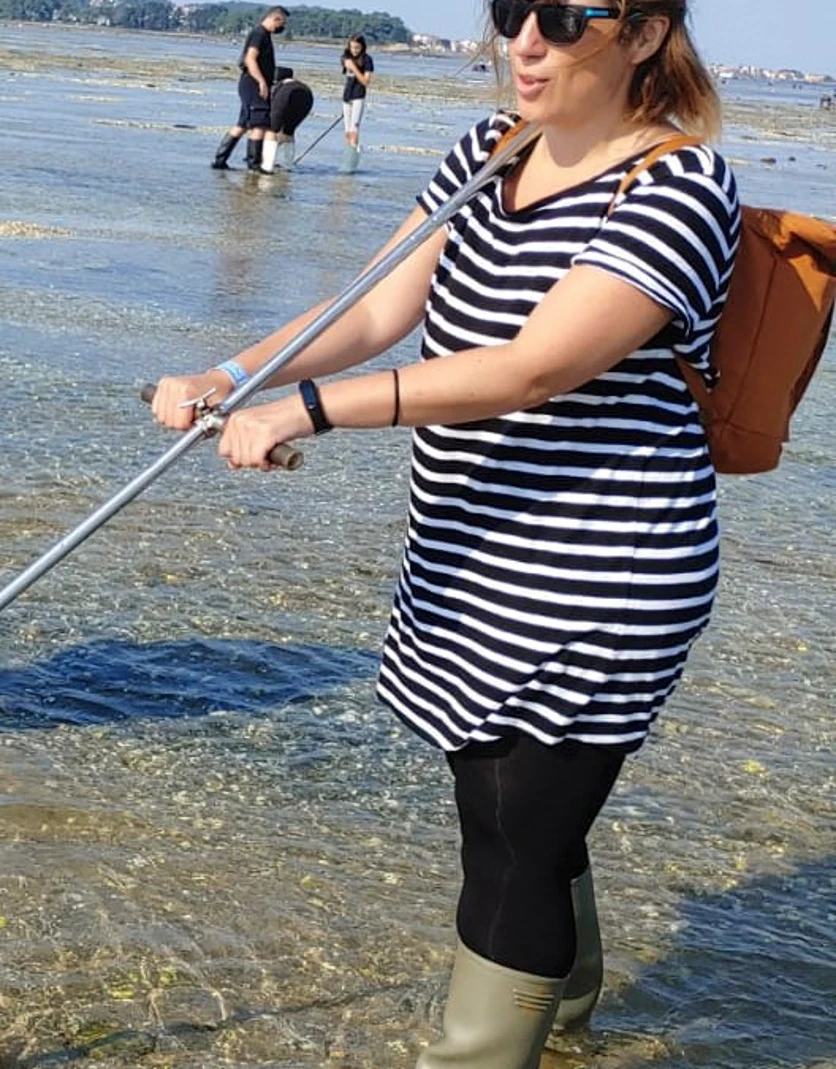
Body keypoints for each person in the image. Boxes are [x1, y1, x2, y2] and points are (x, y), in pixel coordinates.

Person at [153, 1, 732, 1065]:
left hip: (605, 568)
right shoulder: (488, 151)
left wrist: (309, 410)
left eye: (562, 19)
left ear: (645, 33)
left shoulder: (680, 189)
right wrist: (230, 375)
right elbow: (371, 308)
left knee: (516, 846)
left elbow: (533, 367)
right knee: (507, 822)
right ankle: (563, 1023)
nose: (522, 42)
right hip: (470, 556)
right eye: (511, 12)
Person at [211, 6, 289, 171]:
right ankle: (253, 164)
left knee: (243, 124)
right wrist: (261, 81)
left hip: (250, 84)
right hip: (253, 84)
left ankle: (220, 160)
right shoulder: (259, 34)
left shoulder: (263, 35)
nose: (281, 28)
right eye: (282, 24)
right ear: (275, 19)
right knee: (259, 124)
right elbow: (250, 59)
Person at [260, 66, 314, 173]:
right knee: (289, 131)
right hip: (307, 95)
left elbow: (273, 104)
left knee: (272, 131)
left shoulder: (279, 86)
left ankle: (267, 165)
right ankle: (287, 165)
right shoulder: (297, 83)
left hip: (285, 95)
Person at [340, 35, 374, 170]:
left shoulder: (367, 60)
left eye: (357, 48)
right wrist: (348, 64)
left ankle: (352, 163)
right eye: (352, 47)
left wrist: (354, 68)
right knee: (347, 131)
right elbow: (345, 68)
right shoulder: (345, 57)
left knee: (354, 129)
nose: (354, 50)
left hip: (359, 95)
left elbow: (366, 81)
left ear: (362, 47)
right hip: (346, 96)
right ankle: (348, 158)